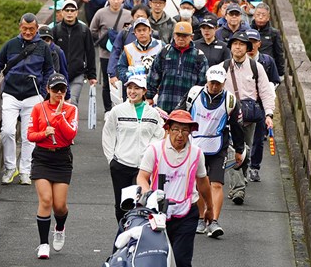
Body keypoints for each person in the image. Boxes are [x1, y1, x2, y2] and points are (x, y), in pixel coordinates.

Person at [0, 13, 54, 186]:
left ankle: (25, 170)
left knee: (28, 136)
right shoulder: (11, 44)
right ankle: (11, 168)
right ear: (20, 27)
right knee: (8, 131)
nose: (27, 32)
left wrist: (43, 92)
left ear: (36, 29)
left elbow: (49, 70)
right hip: (11, 93)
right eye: (24, 29)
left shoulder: (43, 47)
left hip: (33, 96)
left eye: (31, 29)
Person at [136, 110, 214, 267]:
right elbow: (142, 177)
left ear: (191, 132)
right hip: (156, 214)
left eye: (185, 130)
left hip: (186, 213)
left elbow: (203, 182)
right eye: (176, 129)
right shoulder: (155, 149)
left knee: (181, 260)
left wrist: (209, 207)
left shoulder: (197, 153)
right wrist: (148, 193)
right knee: (156, 260)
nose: (180, 134)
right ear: (168, 129)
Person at [175, 65, 245, 238]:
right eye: (212, 83)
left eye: (218, 84)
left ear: (224, 83)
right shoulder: (194, 94)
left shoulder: (230, 100)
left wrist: (239, 149)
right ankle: (200, 218)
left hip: (218, 146)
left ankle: (213, 221)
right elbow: (179, 115)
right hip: (195, 146)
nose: (214, 86)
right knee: (199, 185)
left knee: (216, 184)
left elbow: (237, 127)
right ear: (207, 80)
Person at [219, 31, 275, 205]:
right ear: (230, 47)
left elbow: (266, 91)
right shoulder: (223, 67)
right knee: (233, 151)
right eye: (235, 44)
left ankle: (240, 181)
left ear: (247, 48)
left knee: (245, 152)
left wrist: (269, 114)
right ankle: (238, 189)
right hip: (229, 115)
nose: (237, 47)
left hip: (250, 117)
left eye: (241, 44)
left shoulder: (255, 67)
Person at [27, 73, 78, 259]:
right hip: (42, 157)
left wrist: (59, 117)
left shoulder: (71, 109)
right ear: (47, 90)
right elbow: (31, 135)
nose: (58, 93)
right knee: (46, 200)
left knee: (60, 206)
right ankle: (43, 244)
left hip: (62, 159)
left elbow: (70, 135)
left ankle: (60, 227)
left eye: (62, 89)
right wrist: (44, 133)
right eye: (54, 89)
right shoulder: (38, 108)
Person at [102, 75, 164, 222]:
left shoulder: (153, 113)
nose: (132, 91)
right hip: (121, 165)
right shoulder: (118, 111)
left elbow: (159, 134)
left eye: (137, 88)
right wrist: (111, 159)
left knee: (142, 204)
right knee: (122, 206)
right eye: (130, 88)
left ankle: (137, 237)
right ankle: (123, 235)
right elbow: (108, 134)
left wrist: (149, 152)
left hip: (143, 167)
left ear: (144, 91)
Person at [146, 21, 209, 114]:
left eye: (184, 36)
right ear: (174, 35)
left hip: (188, 107)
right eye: (178, 35)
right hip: (164, 104)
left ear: (191, 37)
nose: (180, 38)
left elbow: (203, 84)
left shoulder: (199, 56)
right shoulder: (164, 52)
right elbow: (153, 75)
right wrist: (149, 96)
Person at [90, 0, 132, 115]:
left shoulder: (128, 15)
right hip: (106, 54)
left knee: (123, 82)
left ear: (123, 0)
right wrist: (104, 41)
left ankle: (122, 108)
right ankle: (108, 110)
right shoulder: (100, 13)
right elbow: (92, 30)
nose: (116, 1)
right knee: (107, 83)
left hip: (123, 55)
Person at [246, 29, 280, 182]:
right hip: (244, 104)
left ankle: (254, 167)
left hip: (260, 105)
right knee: (239, 138)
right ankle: (240, 167)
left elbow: (275, 80)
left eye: (254, 42)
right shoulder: (238, 61)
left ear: (259, 43)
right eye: (248, 43)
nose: (251, 46)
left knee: (259, 139)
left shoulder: (267, 61)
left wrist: (269, 91)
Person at [52, 0, 98, 106]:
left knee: (72, 101)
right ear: (62, 12)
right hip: (59, 73)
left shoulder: (84, 30)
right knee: (57, 103)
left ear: (76, 12)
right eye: (67, 10)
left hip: (78, 73)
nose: (69, 13)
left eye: (72, 10)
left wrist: (92, 75)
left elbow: (90, 53)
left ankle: (72, 123)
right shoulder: (56, 30)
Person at [116, 17, 163, 82]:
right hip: (135, 87)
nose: (142, 33)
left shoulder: (161, 46)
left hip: (156, 86)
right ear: (135, 33)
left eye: (144, 30)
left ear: (150, 31)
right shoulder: (128, 49)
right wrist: (130, 77)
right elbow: (121, 67)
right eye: (139, 30)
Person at [250, 3, 285, 79]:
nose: (260, 17)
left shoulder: (274, 33)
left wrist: (280, 72)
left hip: (267, 69)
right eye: (258, 14)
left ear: (268, 17)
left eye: (263, 15)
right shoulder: (247, 31)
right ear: (254, 15)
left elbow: (279, 53)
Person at [38, 24, 71, 101]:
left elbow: (64, 74)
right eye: (42, 39)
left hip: (53, 91)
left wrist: (67, 96)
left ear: (51, 41)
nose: (45, 43)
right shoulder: (33, 50)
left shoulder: (58, 52)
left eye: (47, 40)